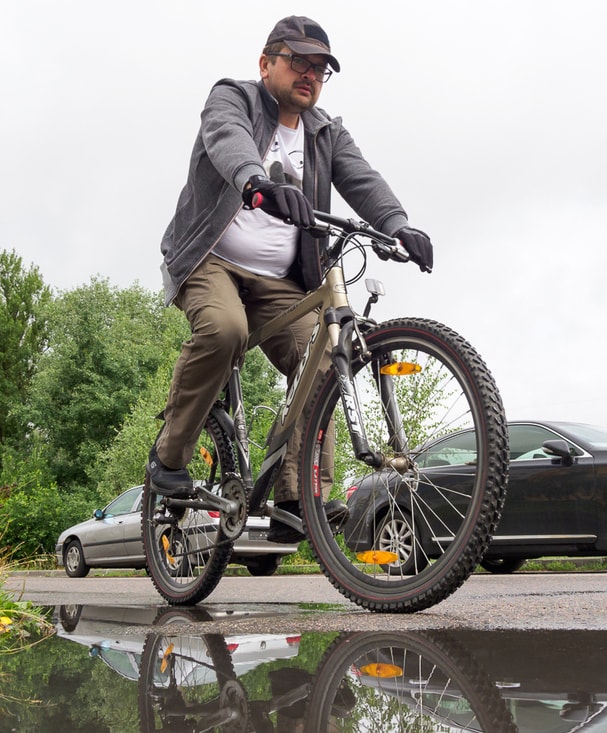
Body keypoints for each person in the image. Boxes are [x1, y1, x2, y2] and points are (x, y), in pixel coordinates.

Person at [147, 15, 434, 543]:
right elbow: (227, 140)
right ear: (266, 63)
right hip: (211, 259)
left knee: (322, 357)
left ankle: (297, 496)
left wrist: (398, 225)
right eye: (299, 61)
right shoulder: (233, 98)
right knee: (225, 330)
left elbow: (362, 179)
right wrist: (256, 183)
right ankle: (168, 457)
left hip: (281, 279)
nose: (310, 75)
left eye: (321, 68)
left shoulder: (325, 132)